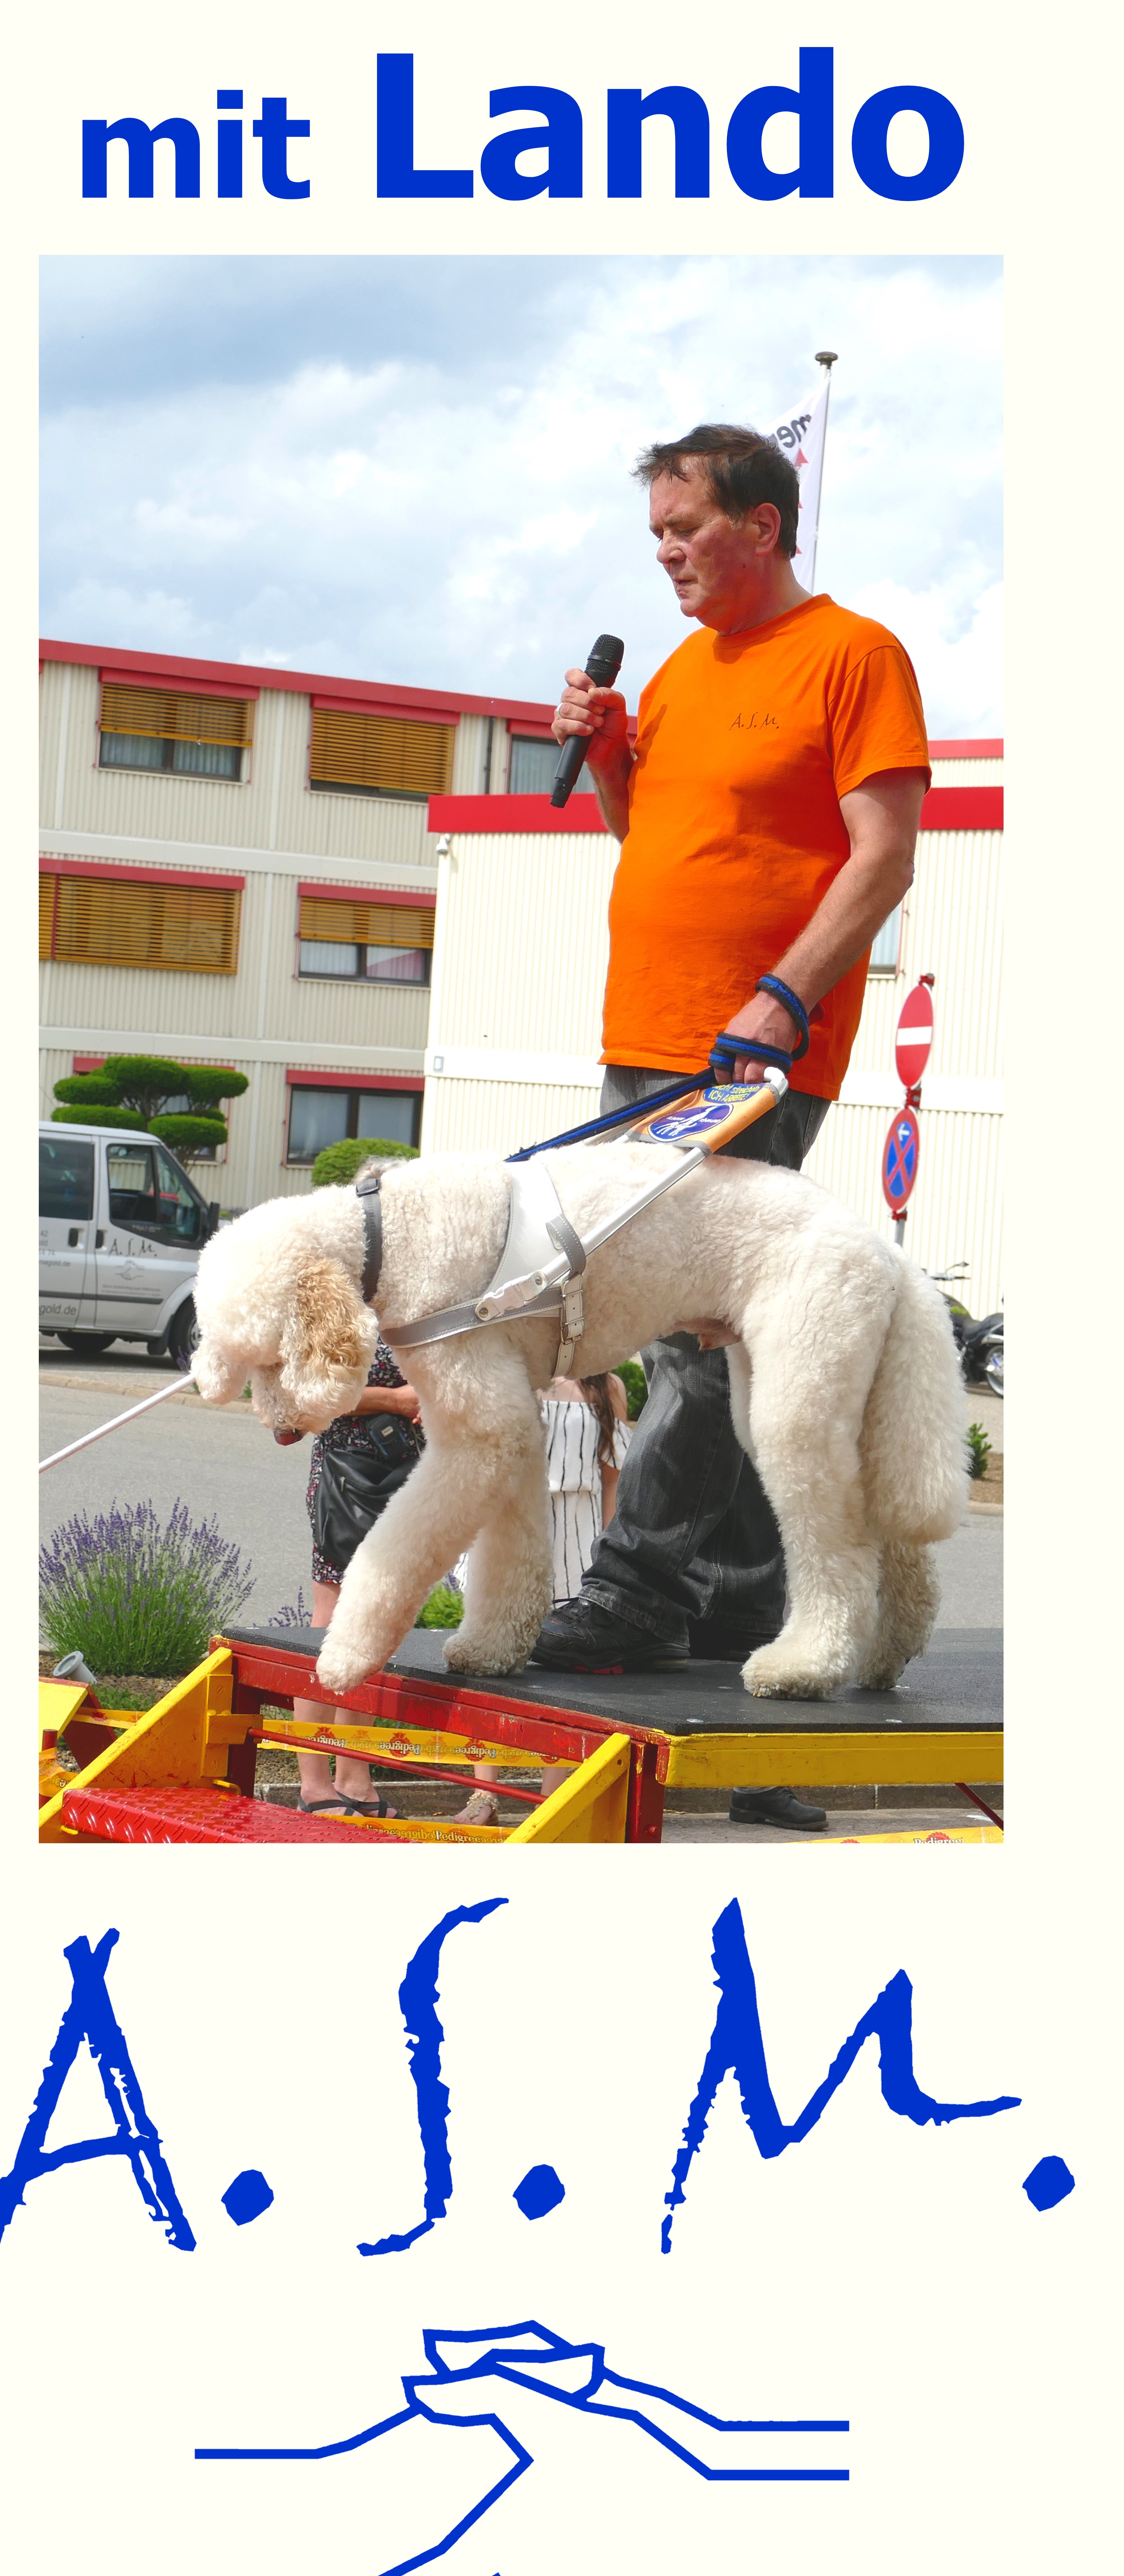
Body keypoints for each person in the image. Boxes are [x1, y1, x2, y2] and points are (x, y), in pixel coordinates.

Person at [529, 422, 931, 1833]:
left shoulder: (854, 656)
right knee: (670, 1328)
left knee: (706, 1333)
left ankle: (633, 1588)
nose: (669, 559)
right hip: (639, 1048)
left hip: (751, 1053)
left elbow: (882, 854)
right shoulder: (688, 671)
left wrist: (781, 999)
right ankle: (759, 1622)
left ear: (762, 523)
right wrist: (613, 761)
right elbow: (657, 843)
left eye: (687, 531)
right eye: (655, 540)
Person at [455, 1371, 631, 1826]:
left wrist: (608, 1554)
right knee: (488, 1668)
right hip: (511, 1528)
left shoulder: (608, 1385)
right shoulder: (517, 1370)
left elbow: (611, 1479)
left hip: (580, 1539)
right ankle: (483, 1794)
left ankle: (551, 1799)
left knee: (567, 1677)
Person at [289, 1338, 423, 1817]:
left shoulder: (407, 1303)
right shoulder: (339, 1307)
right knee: (330, 1623)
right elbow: (309, 1395)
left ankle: (355, 1778)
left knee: (380, 1629)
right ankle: (314, 1785)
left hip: (406, 1475)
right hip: (347, 1478)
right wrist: (397, 1400)